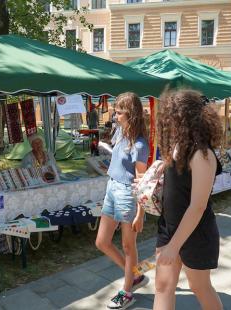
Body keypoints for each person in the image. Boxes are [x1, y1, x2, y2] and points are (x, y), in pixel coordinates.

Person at [154, 89, 223, 310]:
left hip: (196, 234)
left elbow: (198, 206)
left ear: (186, 119)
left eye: (172, 117)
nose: (167, 122)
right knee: (163, 286)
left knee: (199, 287)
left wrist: (174, 247)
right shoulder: (177, 147)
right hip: (169, 227)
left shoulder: (203, 154)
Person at [95, 92, 149, 310]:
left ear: (130, 114)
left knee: (129, 246)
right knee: (101, 242)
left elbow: (142, 182)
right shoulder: (120, 132)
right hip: (112, 188)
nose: (115, 116)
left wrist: (140, 213)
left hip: (128, 193)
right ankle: (135, 275)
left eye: (119, 112)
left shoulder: (140, 144)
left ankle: (127, 291)